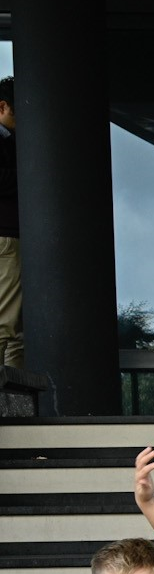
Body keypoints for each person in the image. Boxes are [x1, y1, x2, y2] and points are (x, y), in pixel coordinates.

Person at [0, 76, 22, 374]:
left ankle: (19, 401)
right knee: (7, 323)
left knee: (15, 326)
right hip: (6, 238)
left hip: (8, 238)